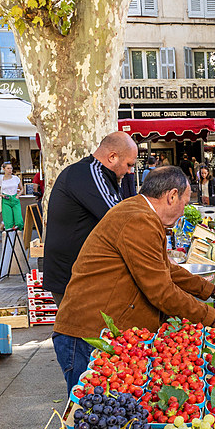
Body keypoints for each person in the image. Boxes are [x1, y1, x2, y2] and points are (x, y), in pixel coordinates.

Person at [52, 166, 215, 393]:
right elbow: (161, 291)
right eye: (184, 203)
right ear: (171, 196)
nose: (183, 211)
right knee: (90, 413)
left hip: (99, 330)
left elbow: (167, 269)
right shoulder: (139, 220)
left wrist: (213, 292)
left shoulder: (140, 212)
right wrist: (212, 316)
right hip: (88, 335)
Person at [43, 131, 138, 306]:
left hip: (81, 276)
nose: (129, 171)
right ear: (112, 157)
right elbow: (120, 218)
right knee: (81, 332)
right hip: (72, 277)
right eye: (129, 165)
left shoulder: (103, 175)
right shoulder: (89, 173)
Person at [0, 162, 23, 232]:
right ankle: (10, 238)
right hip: (6, 199)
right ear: (4, 169)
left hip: (15, 198)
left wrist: (18, 195)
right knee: (8, 222)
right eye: (8, 168)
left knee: (19, 221)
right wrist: (2, 195)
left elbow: (22, 189)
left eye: (11, 168)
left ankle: (17, 237)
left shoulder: (16, 178)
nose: (10, 170)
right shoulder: (0, 179)